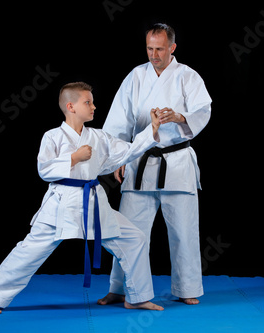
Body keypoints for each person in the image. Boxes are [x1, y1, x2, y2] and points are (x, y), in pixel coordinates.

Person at [0, 82, 164, 314]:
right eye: (88, 102)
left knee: (134, 239)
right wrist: (73, 158)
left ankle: (137, 297)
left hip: (93, 201)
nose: (94, 106)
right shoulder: (52, 136)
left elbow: (127, 151)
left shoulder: (99, 136)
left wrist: (152, 130)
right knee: (29, 251)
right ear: (70, 106)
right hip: (61, 203)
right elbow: (44, 170)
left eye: (92, 102)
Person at [98, 23, 211, 306]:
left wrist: (180, 117)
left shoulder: (188, 76)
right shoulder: (136, 76)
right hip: (140, 161)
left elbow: (202, 111)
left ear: (172, 47)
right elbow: (119, 120)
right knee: (127, 232)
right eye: (150, 48)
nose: (154, 54)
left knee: (184, 230)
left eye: (159, 49)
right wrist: (119, 158)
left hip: (177, 161)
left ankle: (186, 289)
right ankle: (120, 288)